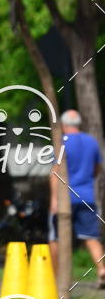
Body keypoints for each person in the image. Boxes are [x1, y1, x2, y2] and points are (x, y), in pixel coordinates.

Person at [49, 109, 105, 287]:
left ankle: (56, 275)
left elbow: (55, 173)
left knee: (56, 237)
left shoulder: (62, 143)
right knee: (91, 236)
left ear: (64, 125)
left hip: (65, 198)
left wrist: (54, 200)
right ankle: (102, 269)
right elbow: (98, 169)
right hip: (87, 196)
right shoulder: (91, 142)